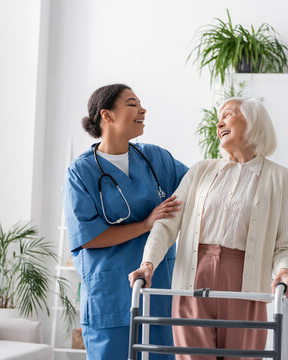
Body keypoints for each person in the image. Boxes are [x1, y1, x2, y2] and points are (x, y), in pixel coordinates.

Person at [129, 97, 288, 360]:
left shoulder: (279, 178)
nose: (219, 123)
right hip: (193, 280)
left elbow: (284, 245)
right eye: (219, 119)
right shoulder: (201, 171)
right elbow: (168, 223)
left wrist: (285, 271)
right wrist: (148, 263)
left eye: (228, 115)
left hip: (245, 286)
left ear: (253, 122)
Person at [63, 84, 188, 359]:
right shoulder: (81, 171)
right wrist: (145, 224)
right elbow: (89, 237)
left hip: (158, 292)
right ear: (106, 115)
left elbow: (198, 188)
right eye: (132, 104)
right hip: (110, 296)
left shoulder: (157, 159)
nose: (142, 110)